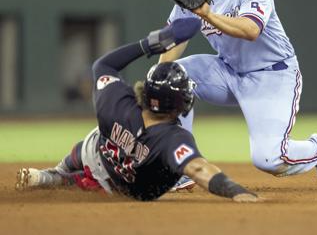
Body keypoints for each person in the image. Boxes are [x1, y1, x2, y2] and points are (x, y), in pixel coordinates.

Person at [160, 0, 317, 191]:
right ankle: (184, 166)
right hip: (228, 71)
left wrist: (206, 13)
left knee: (269, 159)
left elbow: (250, 30)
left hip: (272, 74)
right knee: (172, 76)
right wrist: (159, 77)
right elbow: (178, 34)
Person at [15, 18, 259, 202]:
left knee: (87, 149)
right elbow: (198, 169)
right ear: (177, 104)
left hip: (93, 150)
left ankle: (53, 173)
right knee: (89, 182)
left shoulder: (118, 101)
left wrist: (152, 43)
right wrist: (237, 192)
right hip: (116, 185)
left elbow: (104, 64)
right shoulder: (172, 139)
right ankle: (56, 178)